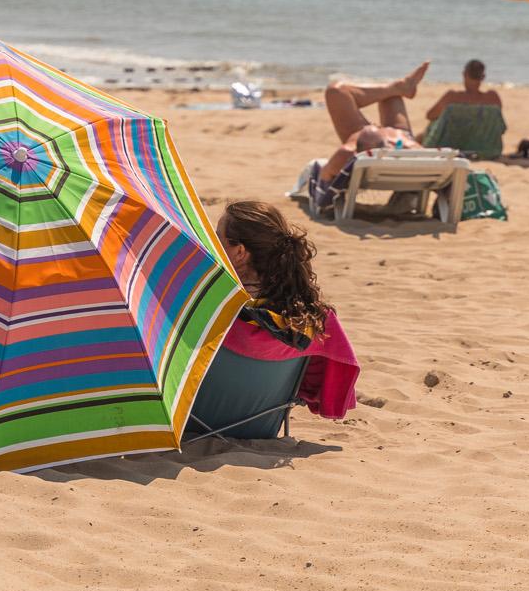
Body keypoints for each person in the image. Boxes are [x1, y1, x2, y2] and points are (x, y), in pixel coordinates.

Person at [213, 200, 358, 419]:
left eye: (217, 238)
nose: (211, 244)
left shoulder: (214, 309)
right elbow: (317, 383)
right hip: (262, 424)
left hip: (197, 421)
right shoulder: (309, 320)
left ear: (240, 252)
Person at [306, 62, 428, 216]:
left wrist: (367, 133)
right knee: (391, 98)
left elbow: (325, 176)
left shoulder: (349, 151)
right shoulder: (411, 148)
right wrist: (397, 141)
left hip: (375, 145)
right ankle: (398, 88)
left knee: (335, 91)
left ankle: (398, 87)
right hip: (400, 140)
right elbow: (428, 155)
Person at [422, 59, 502, 125]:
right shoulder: (493, 98)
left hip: (452, 141)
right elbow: (498, 122)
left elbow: (430, 115)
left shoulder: (452, 97)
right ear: (483, 77)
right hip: (485, 142)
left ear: (464, 74)